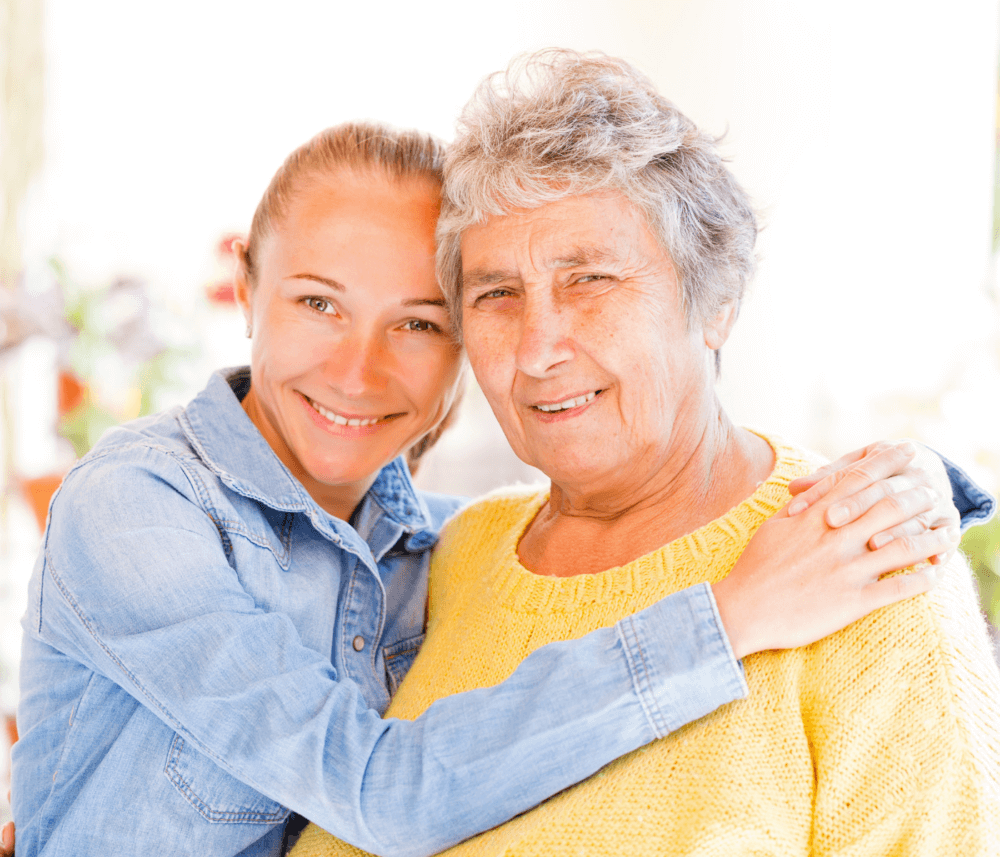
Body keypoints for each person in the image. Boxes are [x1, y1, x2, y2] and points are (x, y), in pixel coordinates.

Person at [5, 121, 988, 857]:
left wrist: (907, 486)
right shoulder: (135, 508)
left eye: (421, 322)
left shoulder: (434, 545)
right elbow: (382, 788)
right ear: (244, 285)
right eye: (317, 302)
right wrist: (725, 619)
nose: (358, 369)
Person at [293, 51, 1000, 857]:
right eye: (496, 294)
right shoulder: (450, 559)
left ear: (717, 300)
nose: (535, 350)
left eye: (589, 279)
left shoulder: (867, 568)